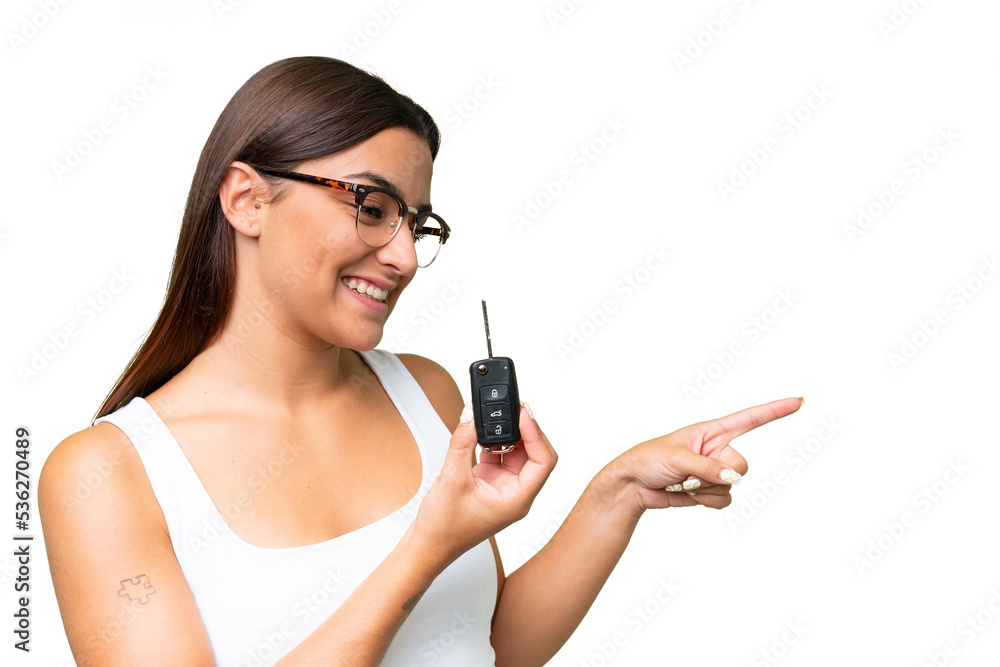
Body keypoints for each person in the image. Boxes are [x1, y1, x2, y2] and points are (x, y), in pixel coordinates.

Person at [38, 56, 803, 667]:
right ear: (247, 200)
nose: (404, 255)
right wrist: (427, 546)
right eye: (371, 207)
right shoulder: (106, 474)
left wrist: (618, 491)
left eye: (416, 222)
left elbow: (487, 647)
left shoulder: (423, 391)